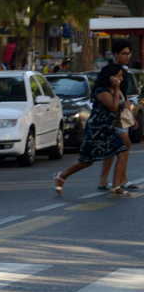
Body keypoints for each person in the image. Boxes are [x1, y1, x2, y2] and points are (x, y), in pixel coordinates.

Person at [56, 63, 132, 195]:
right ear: (111, 77)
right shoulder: (102, 91)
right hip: (96, 130)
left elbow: (120, 106)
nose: (121, 79)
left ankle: (116, 185)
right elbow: (113, 107)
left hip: (109, 129)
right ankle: (61, 176)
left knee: (122, 151)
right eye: (119, 76)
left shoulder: (116, 90)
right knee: (86, 161)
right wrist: (117, 88)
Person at [99, 40, 138, 190]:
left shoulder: (125, 71)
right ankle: (121, 179)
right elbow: (107, 91)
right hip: (112, 114)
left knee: (114, 147)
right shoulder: (110, 71)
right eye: (123, 54)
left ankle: (107, 179)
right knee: (124, 144)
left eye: (129, 54)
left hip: (121, 112)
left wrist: (131, 115)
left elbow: (124, 94)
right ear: (115, 54)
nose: (127, 56)